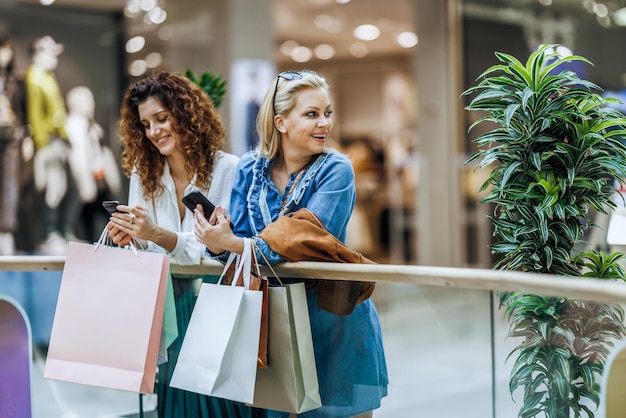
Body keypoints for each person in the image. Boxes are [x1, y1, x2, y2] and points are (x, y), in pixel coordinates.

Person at [193, 70, 388, 418]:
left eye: (327, 112)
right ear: (280, 122)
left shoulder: (337, 170)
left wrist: (234, 243)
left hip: (332, 319)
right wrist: (216, 237)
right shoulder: (250, 167)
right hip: (272, 321)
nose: (324, 123)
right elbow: (233, 242)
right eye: (311, 114)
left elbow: (300, 242)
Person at [106, 71, 265, 418]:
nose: (154, 131)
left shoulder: (228, 169)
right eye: (146, 124)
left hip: (216, 305)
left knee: (219, 402)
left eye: (162, 118)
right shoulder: (144, 175)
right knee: (176, 404)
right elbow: (147, 247)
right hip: (169, 308)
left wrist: (156, 235)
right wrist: (129, 237)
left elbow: (215, 247)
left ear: (187, 114)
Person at [24, 35, 78, 254]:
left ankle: (59, 231)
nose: (54, 58)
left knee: (65, 188)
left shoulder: (47, 77)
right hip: (47, 142)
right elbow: (35, 114)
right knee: (50, 189)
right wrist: (42, 145)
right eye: (50, 53)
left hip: (58, 141)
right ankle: (48, 234)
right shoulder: (34, 77)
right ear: (39, 53)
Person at [65, 86, 121, 242]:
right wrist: (84, 184)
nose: (91, 104)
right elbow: (78, 158)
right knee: (86, 220)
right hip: (83, 184)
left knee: (108, 216)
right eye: (87, 100)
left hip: (99, 181)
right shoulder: (73, 126)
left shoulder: (93, 127)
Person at [0, 38, 26, 255]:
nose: (4, 55)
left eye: (7, 50)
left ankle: (6, 233)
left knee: (9, 185)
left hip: (11, 136)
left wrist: (26, 134)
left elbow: (23, 108)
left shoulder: (16, 79)